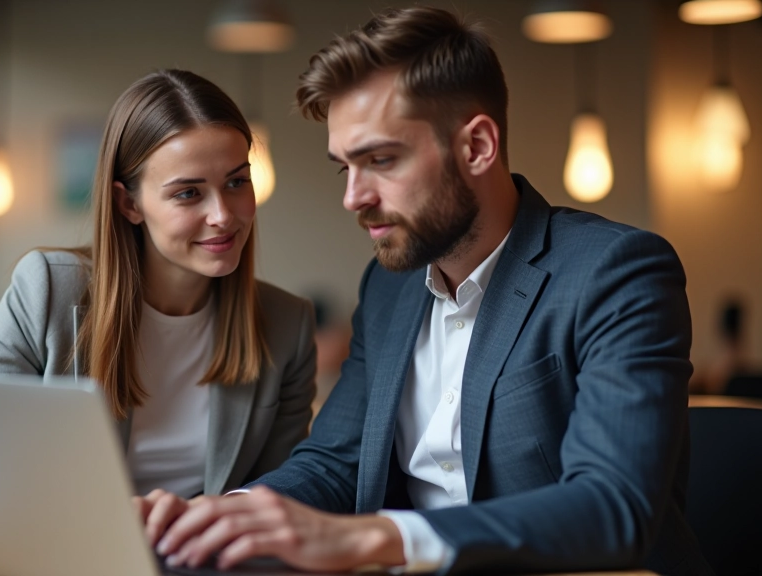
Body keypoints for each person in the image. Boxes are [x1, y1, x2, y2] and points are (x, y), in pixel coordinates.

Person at [140, 8, 714, 575]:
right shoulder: (388, 289)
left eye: (381, 160)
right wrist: (220, 519)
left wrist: (376, 538)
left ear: (477, 147)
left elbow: (612, 506)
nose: (354, 198)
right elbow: (334, 462)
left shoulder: (615, 271)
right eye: (346, 168)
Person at [0, 69, 318, 534]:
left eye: (237, 182)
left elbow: (282, 493)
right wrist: (86, 523)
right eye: (188, 193)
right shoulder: (50, 291)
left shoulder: (287, 325)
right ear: (128, 204)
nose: (223, 215)